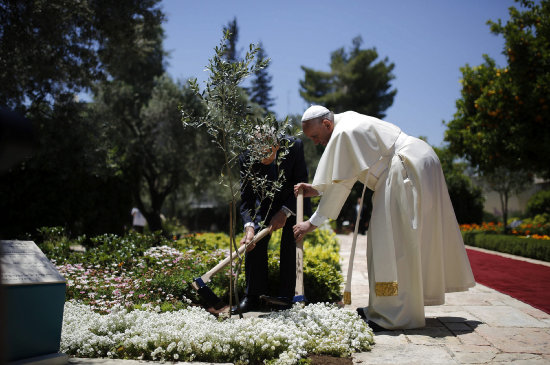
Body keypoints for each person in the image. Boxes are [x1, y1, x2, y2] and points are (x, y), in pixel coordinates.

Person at [293, 105, 475, 330]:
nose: (315, 142)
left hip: (404, 168)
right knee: (400, 241)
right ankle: (388, 309)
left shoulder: (342, 132)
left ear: (327, 124)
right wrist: (317, 189)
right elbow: (346, 173)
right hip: (418, 160)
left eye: (315, 136)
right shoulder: (347, 119)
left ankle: (393, 315)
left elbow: (342, 184)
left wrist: (312, 223)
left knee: (392, 244)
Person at [233, 135, 311, 314]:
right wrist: (249, 227)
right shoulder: (246, 157)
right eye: (258, 154)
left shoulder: (293, 147)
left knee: (290, 241)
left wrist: (284, 212)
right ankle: (253, 296)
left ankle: (287, 296)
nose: (262, 158)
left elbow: (301, 183)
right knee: (254, 243)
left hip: (294, 201)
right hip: (267, 205)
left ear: (276, 146)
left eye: (266, 153)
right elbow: (247, 199)